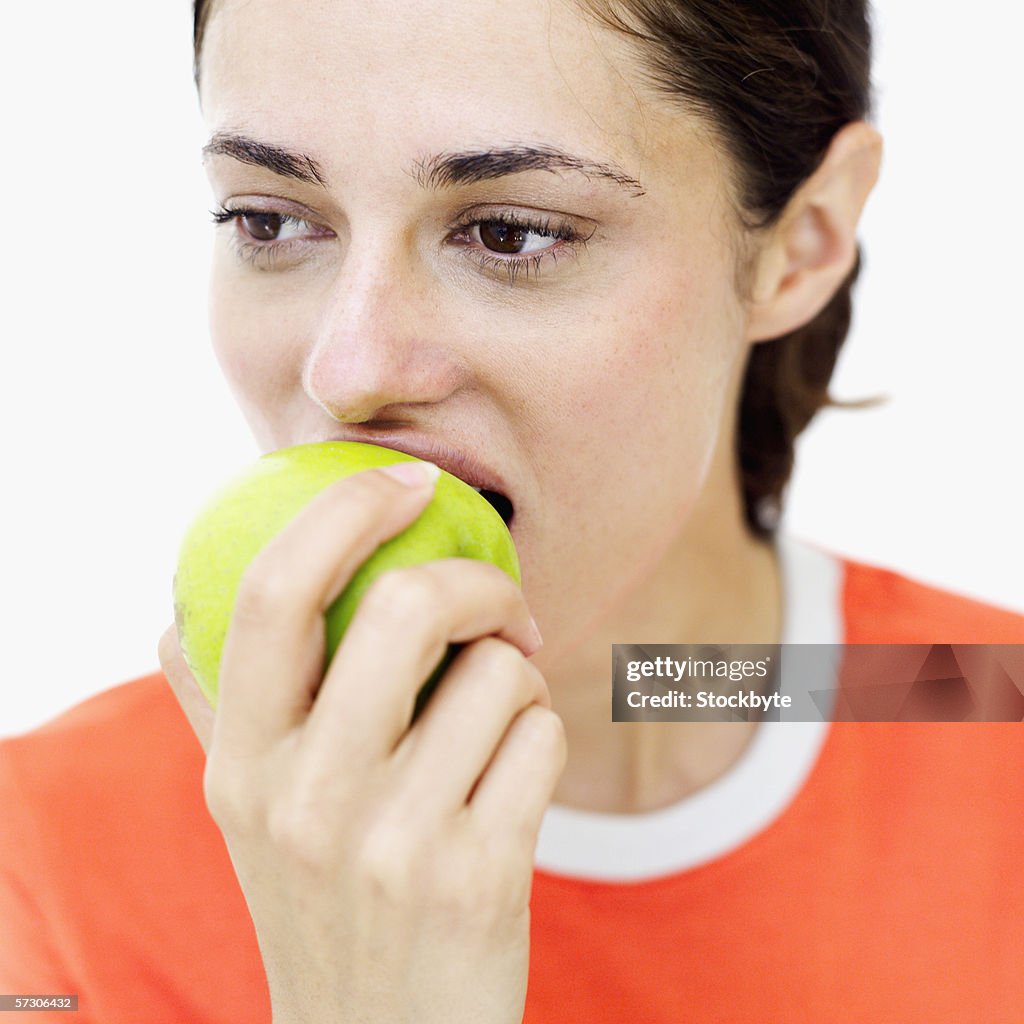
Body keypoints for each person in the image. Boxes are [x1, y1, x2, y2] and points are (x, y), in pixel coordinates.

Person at [2, 1, 1022, 1021]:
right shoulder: (40, 860)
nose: (348, 369)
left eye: (509, 233)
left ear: (802, 242)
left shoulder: (977, 698)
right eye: (267, 220)